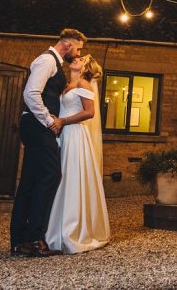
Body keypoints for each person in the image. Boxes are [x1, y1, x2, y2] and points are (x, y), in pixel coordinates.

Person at [10, 28, 85, 258]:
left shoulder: (55, 63)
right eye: (79, 48)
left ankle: (21, 241)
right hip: (37, 125)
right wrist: (49, 120)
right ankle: (34, 238)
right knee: (51, 175)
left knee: (31, 181)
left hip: (34, 125)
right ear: (69, 45)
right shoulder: (46, 60)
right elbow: (31, 93)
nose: (79, 53)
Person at [46, 55, 110, 254]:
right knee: (60, 176)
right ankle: (55, 227)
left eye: (81, 59)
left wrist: (63, 121)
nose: (75, 59)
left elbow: (89, 112)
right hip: (63, 134)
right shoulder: (67, 85)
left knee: (71, 177)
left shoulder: (83, 83)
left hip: (75, 135)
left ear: (85, 67)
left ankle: (71, 230)